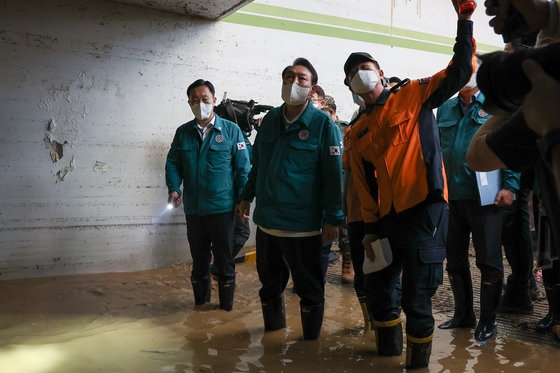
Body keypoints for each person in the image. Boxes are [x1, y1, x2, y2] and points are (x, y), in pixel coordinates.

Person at [344, 0, 476, 368]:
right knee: (379, 289)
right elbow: (364, 186)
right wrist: (369, 230)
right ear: (348, 84)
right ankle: (386, 358)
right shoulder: (357, 132)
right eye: (352, 72)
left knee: (417, 296)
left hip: (425, 211)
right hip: (386, 220)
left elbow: (460, 70)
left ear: (380, 72)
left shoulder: (413, 94)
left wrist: (464, 21)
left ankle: (416, 366)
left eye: (365, 68)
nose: (360, 74)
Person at [468, 0, 560, 341]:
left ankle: (533, 295)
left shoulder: (539, 109)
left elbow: (477, 155)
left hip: (535, 191)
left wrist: (511, 102)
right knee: (547, 251)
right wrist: (545, 15)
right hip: (545, 202)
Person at [237, 58, 344, 340]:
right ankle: (274, 339)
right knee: (269, 287)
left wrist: (334, 218)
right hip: (269, 225)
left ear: (312, 88)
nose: (293, 82)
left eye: (301, 78)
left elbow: (334, 177)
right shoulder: (270, 120)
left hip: (304, 226)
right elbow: (257, 164)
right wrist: (247, 196)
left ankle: (309, 348)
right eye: (288, 77)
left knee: (309, 290)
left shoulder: (323, 125)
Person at [436, 56, 520, 342]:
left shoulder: (496, 106)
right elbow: (438, 151)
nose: (465, 74)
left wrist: (510, 186)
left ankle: (488, 320)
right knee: (455, 260)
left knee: (489, 262)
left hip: (487, 197)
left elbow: (510, 148)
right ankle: (463, 315)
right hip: (453, 198)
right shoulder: (445, 108)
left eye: (471, 69)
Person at [165, 79, 251, 311]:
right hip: (194, 211)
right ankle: (201, 308)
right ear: (189, 103)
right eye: (194, 100)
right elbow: (173, 163)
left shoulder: (232, 131)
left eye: (204, 99)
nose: (200, 104)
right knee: (199, 263)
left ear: (214, 100)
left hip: (223, 210)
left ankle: (225, 311)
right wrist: (174, 187)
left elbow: (243, 169)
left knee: (225, 262)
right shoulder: (183, 133)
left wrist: (244, 201)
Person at [322, 95, 354, 284]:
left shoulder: (346, 129)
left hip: (343, 185)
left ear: (331, 112)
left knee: (345, 228)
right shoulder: (315, 128)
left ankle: (347, 264)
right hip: (321, 187)